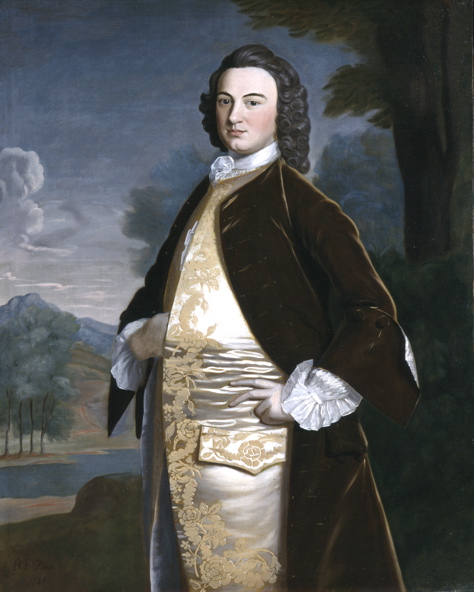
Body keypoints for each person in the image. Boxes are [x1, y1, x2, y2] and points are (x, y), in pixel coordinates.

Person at [108, 44, 419, 592]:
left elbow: (373, 314)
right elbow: (155, 290)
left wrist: (301, 396)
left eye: (253, 101)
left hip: (255, 440)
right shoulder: (207, 192)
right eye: (225, 101)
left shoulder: (301, 202)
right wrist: (142, 335)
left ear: (282, 113)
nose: (235, 115)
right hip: (181, 435)